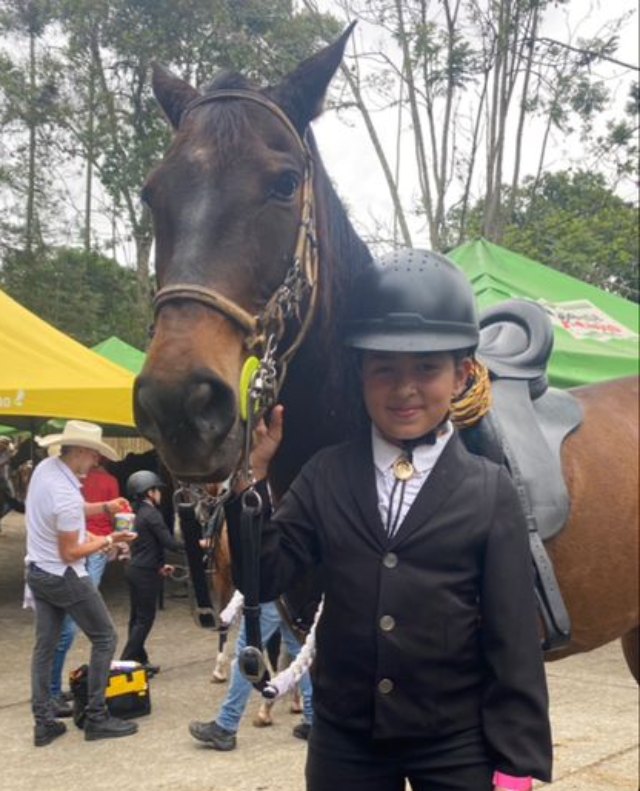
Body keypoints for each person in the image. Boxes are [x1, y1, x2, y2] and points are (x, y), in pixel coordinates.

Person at [219, 250, 553, 790]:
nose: (404, 389)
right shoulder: (326, 474)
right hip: (346, 743)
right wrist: (249, 482)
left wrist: (517, 761)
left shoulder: (490, 491)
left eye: (426, 368)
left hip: (455, 741)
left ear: (462, 374)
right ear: (360, 374)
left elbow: (512, 640)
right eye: (385, 369)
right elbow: (263, 577)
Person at [26, 420, 138, 746]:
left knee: (44, 646)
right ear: (79, 452)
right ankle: (97, 716)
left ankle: (43, 721)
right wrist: (109, 539)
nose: (96, 462)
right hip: (63, 574)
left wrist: (104, 507)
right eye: (93, 455)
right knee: (105, 637)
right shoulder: (63, 492)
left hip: (38, 569)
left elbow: (73, 513)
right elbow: (71, 550)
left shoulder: (47, 469)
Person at [189, 598, 314, 750]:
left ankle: (226, 725)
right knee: (300, 651)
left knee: (246, 654)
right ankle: (313, 719)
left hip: (269, 594)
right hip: (293, 595)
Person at [49, 457, 121, 711]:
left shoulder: (69, 482)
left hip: (81, 546)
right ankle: (93, 709)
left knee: (59, 631)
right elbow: (116, 519)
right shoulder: (107, 481)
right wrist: (111, 540)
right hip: (88, 550)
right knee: (92, 632)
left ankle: (53, 692)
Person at [119, 470, 183, 674]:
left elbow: (146, 545)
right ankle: (124, 663)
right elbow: (169, 543)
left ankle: (139, 659)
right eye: (157, 490)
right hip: (145, 573)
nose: (160, 494)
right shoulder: (152, 514)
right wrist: (198, 544)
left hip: (136, 568)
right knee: (145, 619)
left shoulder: (137, 513)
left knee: (136, 618)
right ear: (149, 492)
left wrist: (159, 565)